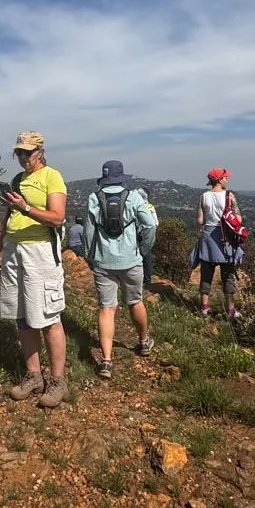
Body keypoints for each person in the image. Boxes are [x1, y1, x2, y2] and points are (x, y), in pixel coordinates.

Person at [0, 131, 69, 409]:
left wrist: (25, 208)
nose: (23, 157)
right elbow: (7, 219)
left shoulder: (52, 177)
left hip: (40, 252)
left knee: (47, 315)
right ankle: (34, 375)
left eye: (27, 152)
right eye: (19, 152)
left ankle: (58, 380)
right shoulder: (17, 181)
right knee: (21, 315)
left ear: (40, 151)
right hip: (14, 251)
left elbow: (57, 218)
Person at [85, 161, 156, 378]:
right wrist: (143, 250)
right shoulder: (133, 197)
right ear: (121, 176)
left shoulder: (94, 198)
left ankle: (106, 361)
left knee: (107, 309)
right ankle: (143, 342)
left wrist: (90, 256)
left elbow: (89, 231)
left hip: (103, 262)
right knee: (135, 301)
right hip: (131, 260)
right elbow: (150, 225)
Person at [195, 168, 243, 319]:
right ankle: (230, 310)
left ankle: (204, 308)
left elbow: (200, 221)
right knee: (228, 274)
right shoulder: (229, 196)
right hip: (225, 238)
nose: (227, 180)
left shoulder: (203, 196)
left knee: (206, 272)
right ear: (220, 180)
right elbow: (238, 220)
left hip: (208, 237)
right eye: (225, 178)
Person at [137, 186, 159, 286]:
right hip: (148, 235)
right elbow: (156, 223)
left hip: (138, 235)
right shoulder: (150, 207)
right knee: (147, 257)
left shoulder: (136, 206)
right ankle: (147, 279)